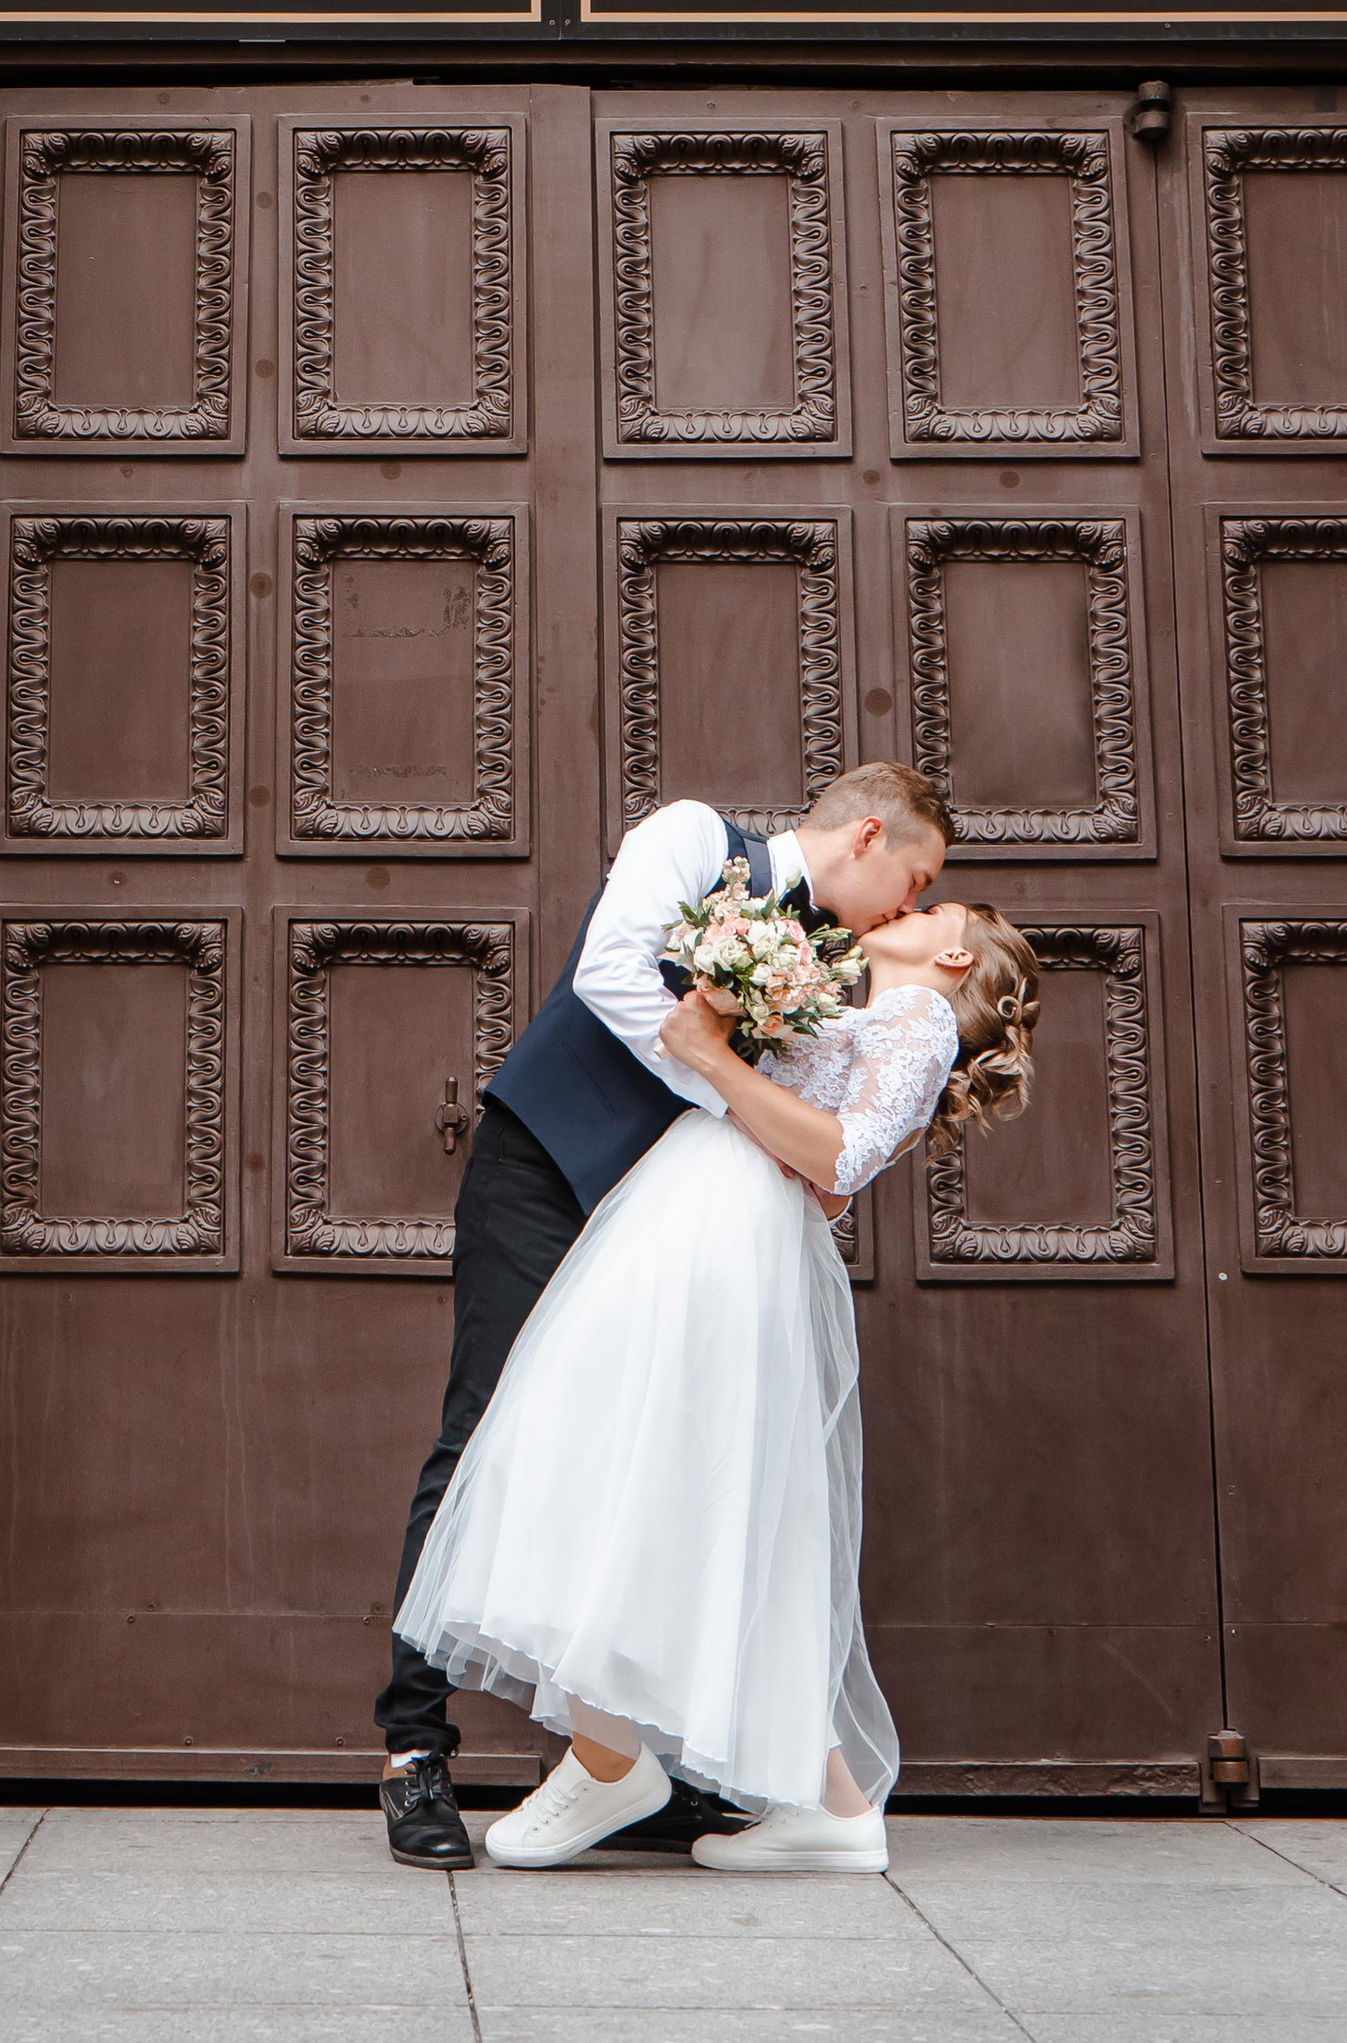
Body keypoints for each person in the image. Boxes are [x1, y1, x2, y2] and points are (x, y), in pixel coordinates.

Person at [375, 763, 951, 1869]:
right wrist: (721, 1089)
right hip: (548, 1172)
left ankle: (666, 1764)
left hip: (676, 1227)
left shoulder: (846, 962)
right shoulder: (696, 839)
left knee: (672, 1469)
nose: (908, 909)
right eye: (912, 879)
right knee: (484, 1440)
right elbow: (609, 974)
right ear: (868, 833)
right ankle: (415, 1755)